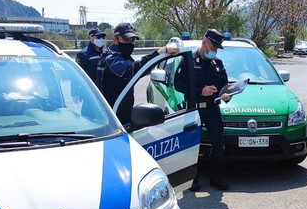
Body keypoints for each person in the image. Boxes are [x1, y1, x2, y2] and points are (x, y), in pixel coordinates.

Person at [97, 22, 178, 124]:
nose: (130, 44)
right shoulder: (110, 58)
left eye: (132, 40)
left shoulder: (122, 55)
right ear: (114, 39)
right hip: (111, 119)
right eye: (126, 40)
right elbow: (132, 70)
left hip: (120, 115)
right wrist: (158, 53)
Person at [186, 28, 232, 191]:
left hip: (212, 109)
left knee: (218, 144)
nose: (215, 51)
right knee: (192, 145)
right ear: (204, 42)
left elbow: (225, 87)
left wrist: (226, 95)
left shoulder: (217, 64)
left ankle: (216, 177)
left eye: (217, 49)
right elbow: (178, 84)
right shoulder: (188, 60)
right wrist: (200, 91)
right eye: (213, 48)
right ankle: (192, 178)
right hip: (195, 109)